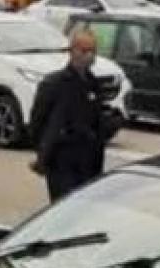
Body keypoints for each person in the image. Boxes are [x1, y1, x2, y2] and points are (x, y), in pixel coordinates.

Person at [28, 27, 114, 201]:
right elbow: (37, 121)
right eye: (84, 51)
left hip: (89, 160)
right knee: (63, 205)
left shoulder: (93, 83)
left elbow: (96, 119)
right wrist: (43, 152)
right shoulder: (55, 83)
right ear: (73, 51)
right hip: (62, 159)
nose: (89, 56)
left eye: (92, 51)